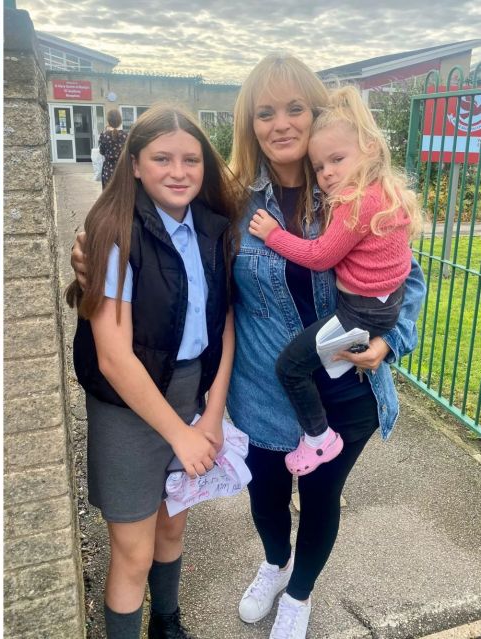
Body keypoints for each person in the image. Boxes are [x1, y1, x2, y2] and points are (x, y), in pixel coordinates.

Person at [73, 54, 426, 639]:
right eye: (265, 112)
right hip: (263, 391)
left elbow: (406, 278)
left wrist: (392, 339)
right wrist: (90, 251)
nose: (281, 123)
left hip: (345, 389)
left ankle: (300, 593)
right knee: (265, 500)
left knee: (320, 500)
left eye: (296, 109)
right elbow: (167, 239)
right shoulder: (233, 203)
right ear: (250, 123)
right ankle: (273, 562)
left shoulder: (353, 190)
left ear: (321, 117)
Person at [65, 105, 239, 639]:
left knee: (172, 526)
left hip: (188, 396)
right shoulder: (115, 231)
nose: (178, 171)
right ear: (135, 164)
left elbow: (225, 322)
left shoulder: (213, 230)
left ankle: (167, 623)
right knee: (133, 551)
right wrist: (179, 435)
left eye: (190, 159)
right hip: (128, 407)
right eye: (162, 158)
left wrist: (209, 416)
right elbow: (114, 357)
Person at [248, 85, 422, 476]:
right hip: (378, 305)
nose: (327, 174)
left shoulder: (357, 203)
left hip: (361, 311)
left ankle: (319, 439)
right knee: (321, 357)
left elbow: (320, 256)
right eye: (320, 166)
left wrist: (273, 235)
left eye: (337, 160)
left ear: (371, 149)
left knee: (290, 367)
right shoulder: (384, 192)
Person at [98, 108, 128, 188]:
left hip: (108, 169)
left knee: (108, 195)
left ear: (108, 121)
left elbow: (102, 152)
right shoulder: (126, 135)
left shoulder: (104, 135)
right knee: (122, 193)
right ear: (120, 121)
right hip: (122, 169)